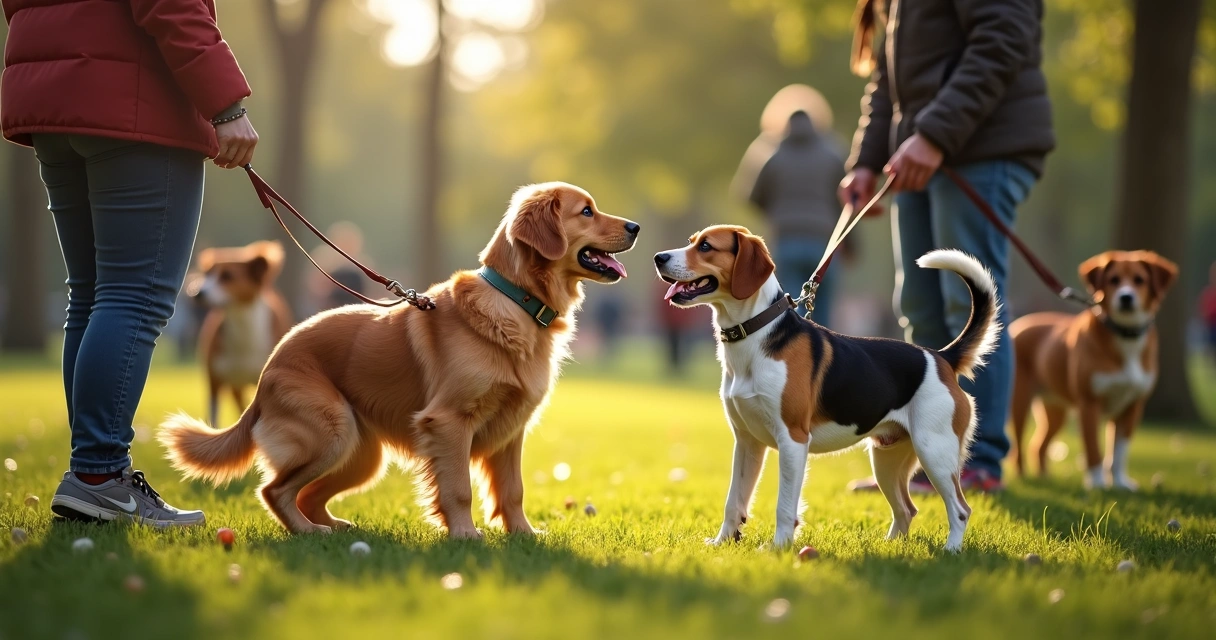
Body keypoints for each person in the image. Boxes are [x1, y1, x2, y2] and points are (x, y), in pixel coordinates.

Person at [2, 0, 258, 525]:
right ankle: (99, 474)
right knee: (132, 298)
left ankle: (93, 474)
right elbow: (171, 5)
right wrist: (226, 106)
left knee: (92, 294)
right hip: (134, 103)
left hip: (54, 98)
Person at [840, 0, 1054, 492]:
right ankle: (930, 464)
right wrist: (866, 161)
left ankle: (978, 463)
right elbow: (888, 80)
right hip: (915, 153)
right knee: (919, 303)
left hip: (981, 147)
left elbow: (1002, 41)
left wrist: (935, 136)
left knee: (968, 305)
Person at [734, 90, 847, 328]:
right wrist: (851, 245)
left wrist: (776, 213)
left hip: (787, 240)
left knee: (789, 313)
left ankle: (793, 362)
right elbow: (846, 201)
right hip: (824, 243)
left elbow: (749, 195)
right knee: (822, 313)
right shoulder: (834, 153)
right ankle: (826, 362)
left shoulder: (769, 152)